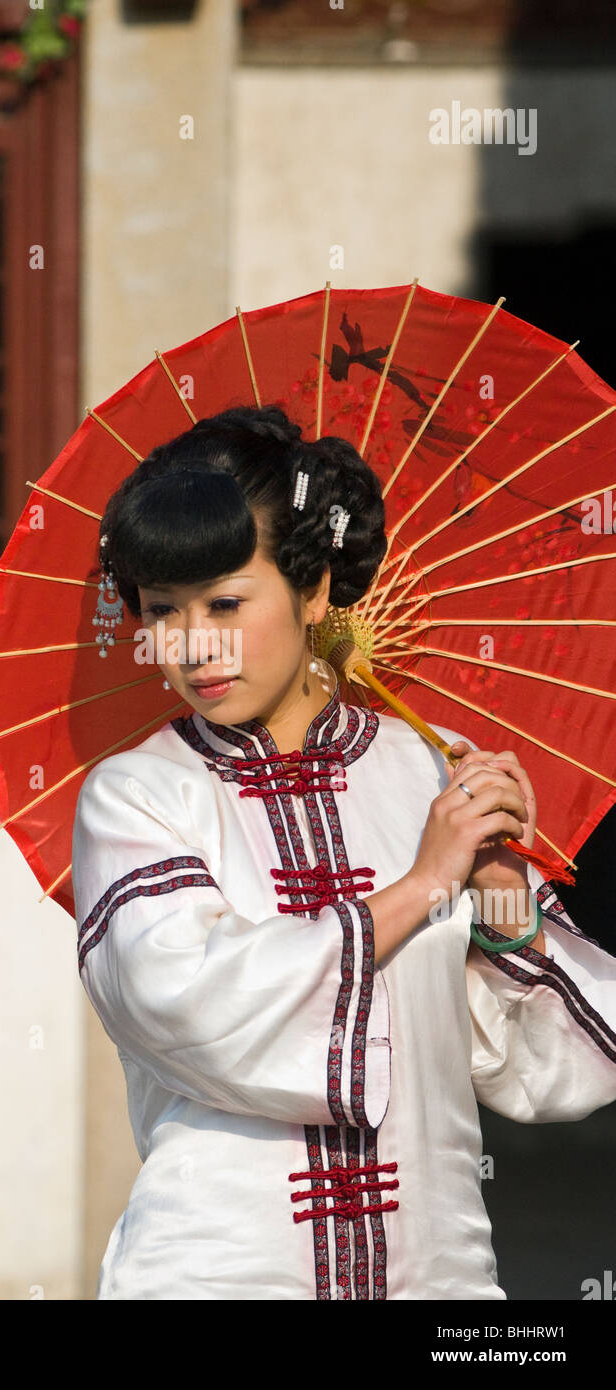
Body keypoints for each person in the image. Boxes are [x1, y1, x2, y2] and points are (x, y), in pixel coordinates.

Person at [71, 403, 616, 1300]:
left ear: (315, 588)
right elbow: (189, 1002)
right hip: (219, 1271)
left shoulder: (431, 771)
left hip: (437, 1275)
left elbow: (551, 1072)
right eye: (162, 610)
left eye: (225, 602)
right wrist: (421, 885)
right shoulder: (136, 795)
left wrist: (498, 894)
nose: (190, 645)